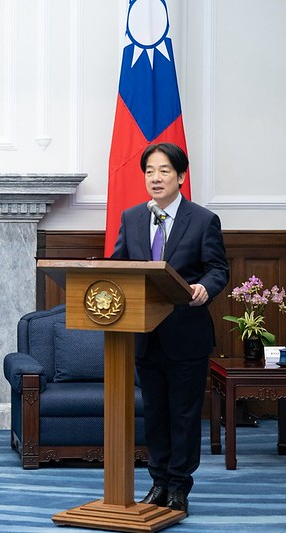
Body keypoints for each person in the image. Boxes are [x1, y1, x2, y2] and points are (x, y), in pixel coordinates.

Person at [111, 143, 229, 514]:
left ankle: (179, 486)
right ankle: (158, 482)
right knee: (155, 414)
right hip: (145, 336)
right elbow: (118, 267)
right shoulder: (132, 217)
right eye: (149, 171)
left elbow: (218, 269)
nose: (155, 178)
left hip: (186, 335)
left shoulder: (203, 220)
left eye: (164, 170)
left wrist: (204, 287)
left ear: (180, 176)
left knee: (184, 415)